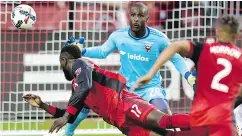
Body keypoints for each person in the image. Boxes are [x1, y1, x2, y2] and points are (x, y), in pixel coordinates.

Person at [63, 3, 195, 135]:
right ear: (129, 16)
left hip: (151, 89)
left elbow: (175, 58)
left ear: (147, 18)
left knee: (166, 122)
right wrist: (83, 51)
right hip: (126, 92)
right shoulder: (118, 36)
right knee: (87, 101)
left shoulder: (159, 39)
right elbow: (102, 51)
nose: (136, 19)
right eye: (133, 15)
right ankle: (67, 133)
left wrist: (188, 75)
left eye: (140, 15)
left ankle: (202, 126)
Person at [23, 45, 207, 136]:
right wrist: (42, 105)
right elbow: (69, 113)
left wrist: (66, 115)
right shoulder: (77, 90)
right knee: (168, 135)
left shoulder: (81, 64)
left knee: (165, 122)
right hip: (120, 122)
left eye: (60, 63)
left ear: (64, 60)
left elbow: (86, 86)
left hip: (125, 104)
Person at [131, 16, 242, 136]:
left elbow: (176, 45)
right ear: (238, 35)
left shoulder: (204, 50)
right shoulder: (240, 57)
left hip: (200, 123)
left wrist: (150, 73)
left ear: (217, 31)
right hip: (224, 125)